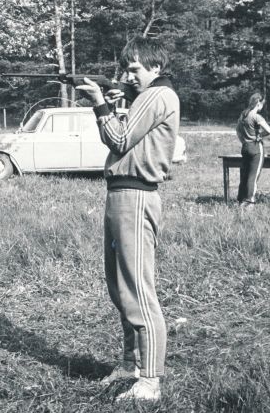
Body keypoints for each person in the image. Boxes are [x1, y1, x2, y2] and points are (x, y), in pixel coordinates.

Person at [76, 36, 179, 401]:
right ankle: (129, 362)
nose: (128, 75)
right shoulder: (147, 97)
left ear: (156, 67)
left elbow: (118, 141)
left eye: (135, 69)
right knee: (120, 287)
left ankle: (150, 380)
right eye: (126, 69)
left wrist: (100, 104)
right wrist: (120, 104)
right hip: (121, 193)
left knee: (137, 288)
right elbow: (129, 136)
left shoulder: (158, 95)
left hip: (135, 194)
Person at [235, 93, 270, 207]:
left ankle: (241, 200)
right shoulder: (256, 117)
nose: (262, 106)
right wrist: (260, 135)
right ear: (258, 103)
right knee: (253, 176)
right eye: (262, 104)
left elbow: (238, 131)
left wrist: (244, 141)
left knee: (245, 175)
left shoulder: (243, 115)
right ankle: (250, 201)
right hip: (256, 147)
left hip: (245, 147)